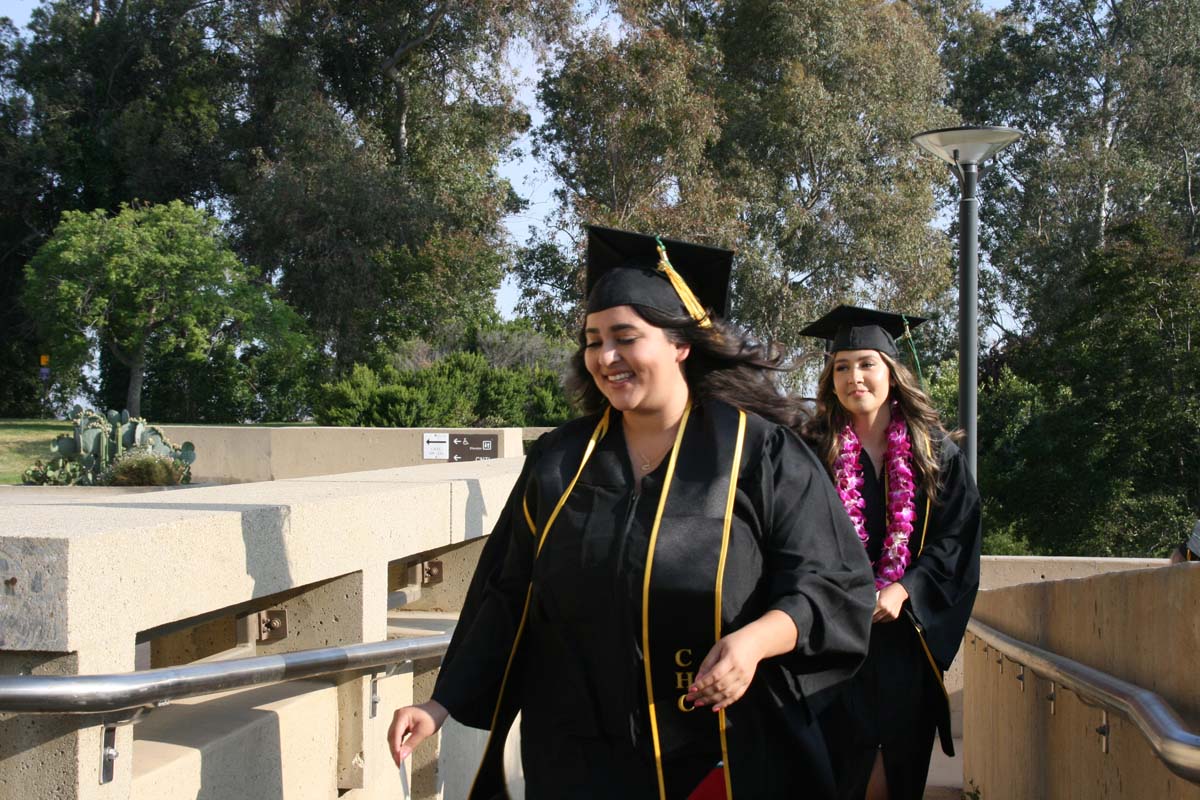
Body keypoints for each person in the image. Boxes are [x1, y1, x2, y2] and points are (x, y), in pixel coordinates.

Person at [387, 226, 877, 799]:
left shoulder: (760, 453)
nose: (606, 357)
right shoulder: (560, 462)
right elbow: (509, 591)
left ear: (680, 345)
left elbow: (832, 582)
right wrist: (440, 704)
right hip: (579, 753)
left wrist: (755, 642)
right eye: (593, 341)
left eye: (625, 337)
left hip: (723, 749)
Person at [800, 306, 983, 800]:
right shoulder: (811, 452)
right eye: (841, 367)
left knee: (895, 768)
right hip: (832, 642)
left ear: (891, 372)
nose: (853, 377)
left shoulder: (935, 454)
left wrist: (906, 589)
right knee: (839, 772)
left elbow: (957, 539)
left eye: (866, 364)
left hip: (905, 644)